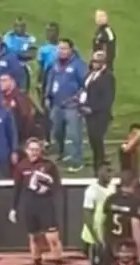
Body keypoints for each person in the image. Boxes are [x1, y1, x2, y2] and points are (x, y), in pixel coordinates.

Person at [9, 138, 64, 265]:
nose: (34, 152)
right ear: (26, 151)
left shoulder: (49, 165)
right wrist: (13, 208)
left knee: (52, 237)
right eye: (31, 150)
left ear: (41, 151)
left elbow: (57, 185)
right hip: (29, 205)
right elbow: (17, 189)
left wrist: (47, 189)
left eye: (36, 150)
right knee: (34, 238)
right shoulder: (21, 166)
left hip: (45, 205)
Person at [45, 39, 87, 172]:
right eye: (59, 48)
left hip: (72, 105)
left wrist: (78, 99)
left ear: (71, 50)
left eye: (64, 49)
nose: (61, 51)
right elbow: (50, 80)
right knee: (57, 132)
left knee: (74, 134)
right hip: (56, 104)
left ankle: (76, 160)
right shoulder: (54, 64)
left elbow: (85, 84)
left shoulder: (78, 65)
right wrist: (47, 96)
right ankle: (61, 153)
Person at [82, 161, 114, 265]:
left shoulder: (113, 188)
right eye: (106, 171)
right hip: (94, 238)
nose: (109, 174)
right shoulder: (92, 191)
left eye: (111, 171)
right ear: (98, 172)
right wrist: (96, 238)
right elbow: (87, 215)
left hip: (109, 236)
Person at [82, 51, 116, 173]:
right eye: (93, 61)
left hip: (101, 115)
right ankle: (99, 162)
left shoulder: (107, 77)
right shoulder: (91, 75)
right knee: (93, 139)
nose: (94, 63)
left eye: (97, 61)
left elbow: (108, 98)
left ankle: (99, 164)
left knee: (97, 138)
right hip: (88, 113)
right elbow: (85, 90)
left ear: (103, 63)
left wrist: (92, 108)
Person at [103, 170, 140, 260]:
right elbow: (136, 225)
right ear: (133, 183)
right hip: (128, 246)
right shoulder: (136, 202)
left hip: (112, 244)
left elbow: (104, 223)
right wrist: (139, 251)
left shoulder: (110, 199)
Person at [0, 72, 37, 147]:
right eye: (0, 80)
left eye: (4, 80)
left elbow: (26, 118)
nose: (1, 83)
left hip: (19, 139)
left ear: (12, 81)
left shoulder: (20, 97)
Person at [2, 18, 37, 92]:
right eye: (17, 26)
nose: (19, 28)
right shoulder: (7, 37)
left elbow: (31, 54)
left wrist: (14, 53)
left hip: (22, 68)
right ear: (14, 26)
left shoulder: (30, 39)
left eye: (21, 26)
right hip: (7, 68)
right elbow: (2, 51)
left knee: (22, 93)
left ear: (25, 27)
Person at [118, 123, 140, 192]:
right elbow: (126, 149)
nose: (139, 140)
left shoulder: (135, 148)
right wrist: (138, 135)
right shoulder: (124, 145)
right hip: (127, 184)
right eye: (135, 135)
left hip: (135, 184)